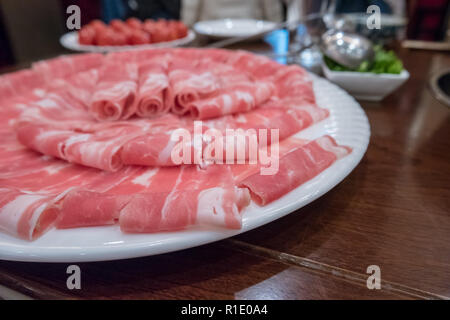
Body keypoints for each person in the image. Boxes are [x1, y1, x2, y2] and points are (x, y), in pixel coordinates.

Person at [181, 0, 283, 26]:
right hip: (252, 29)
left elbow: (191, 5)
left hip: (253, 32)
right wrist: (276, 22)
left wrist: (188, 24)